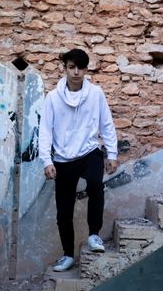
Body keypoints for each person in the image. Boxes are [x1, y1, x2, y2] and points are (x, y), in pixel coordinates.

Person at [39, 48, 117, 272]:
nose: (76, 72)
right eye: (71, 67)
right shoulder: (53, 98)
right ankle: (67, 255)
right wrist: (47, 160)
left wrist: (111, 154)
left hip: (89, 151)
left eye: (80, 68)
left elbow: (106, 123)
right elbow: (45, 131)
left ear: (85, 69)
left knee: (95, 184)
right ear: (65, 69)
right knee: (64, 210)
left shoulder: (96, 93)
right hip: (63, 158)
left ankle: (94, 235)